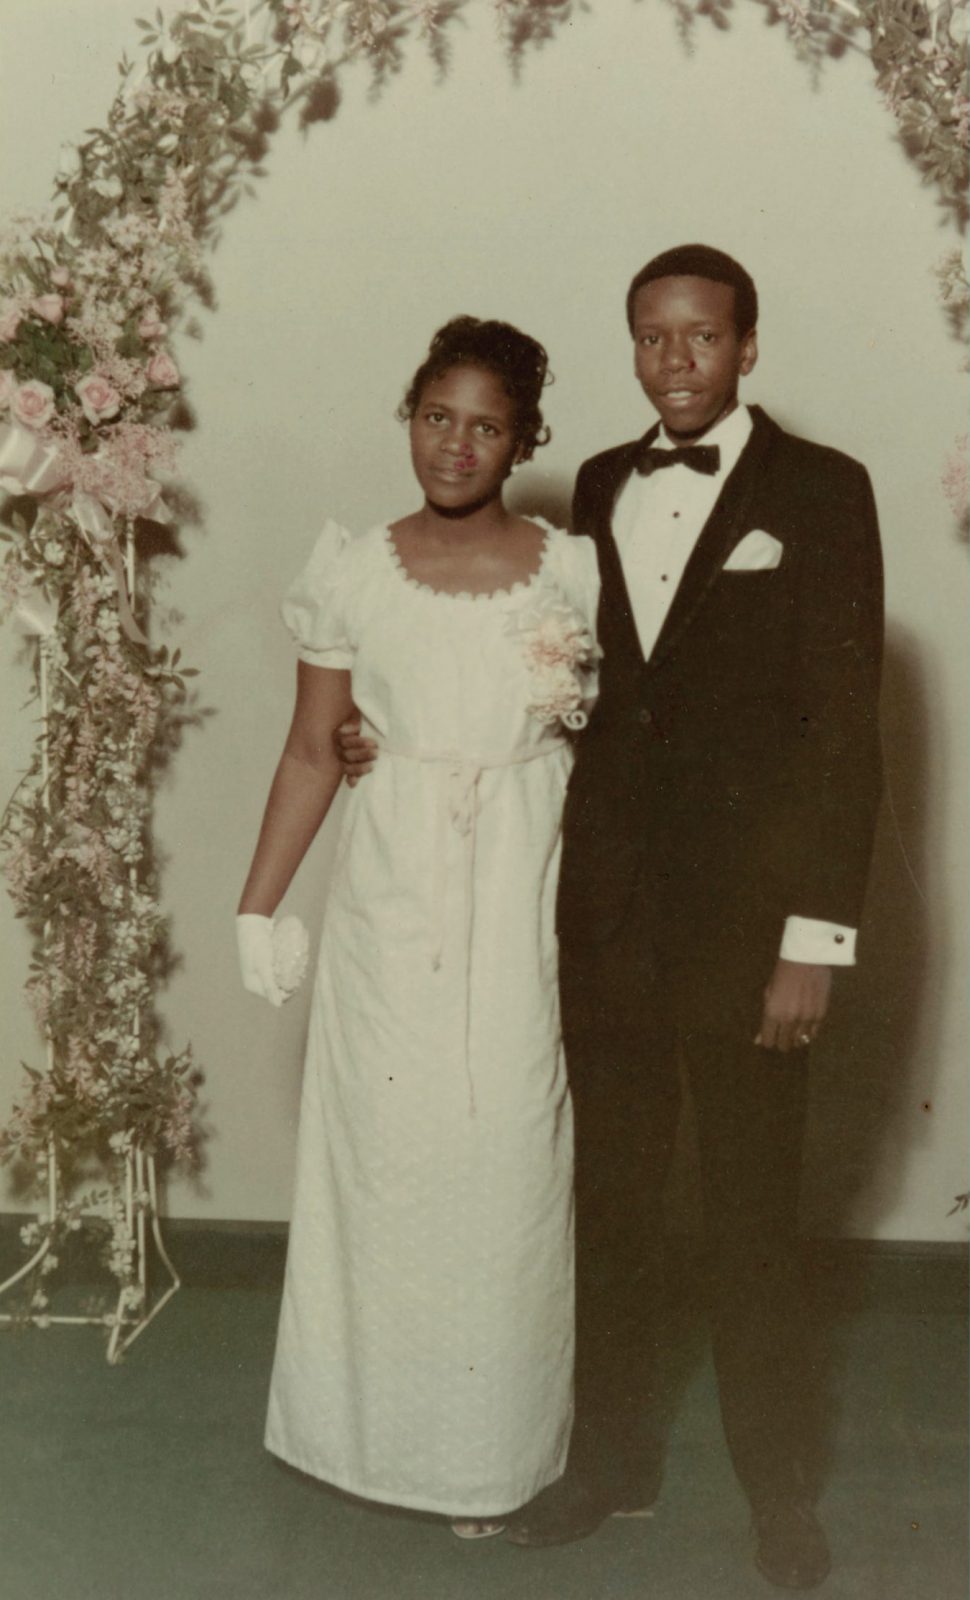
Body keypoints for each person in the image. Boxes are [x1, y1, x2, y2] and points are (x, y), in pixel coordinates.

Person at [500, 245, 885, 1588]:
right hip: (610, 921)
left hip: (747, 937)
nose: (673, 363)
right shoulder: (601, 485)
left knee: (748, 1222)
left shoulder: (822, 492)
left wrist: (810, 946)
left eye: (699, 339)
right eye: (650, 339)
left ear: (746, 346)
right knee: (607, 1204)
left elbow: (843, 738)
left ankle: (777, 1492)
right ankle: (611, 1467)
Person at [236, 317, 600, 1537]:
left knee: (500, 1166)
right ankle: (364, 1439)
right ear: (408, 416)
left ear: (523, 438)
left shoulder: (572, 569)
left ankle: (484, 1461)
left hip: (518, 892)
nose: (456, 444)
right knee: (385, 1167)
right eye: (436, 415)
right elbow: (307, 748)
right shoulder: (350, 568)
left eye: (485, 424)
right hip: (390, 898)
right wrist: (256, 906)